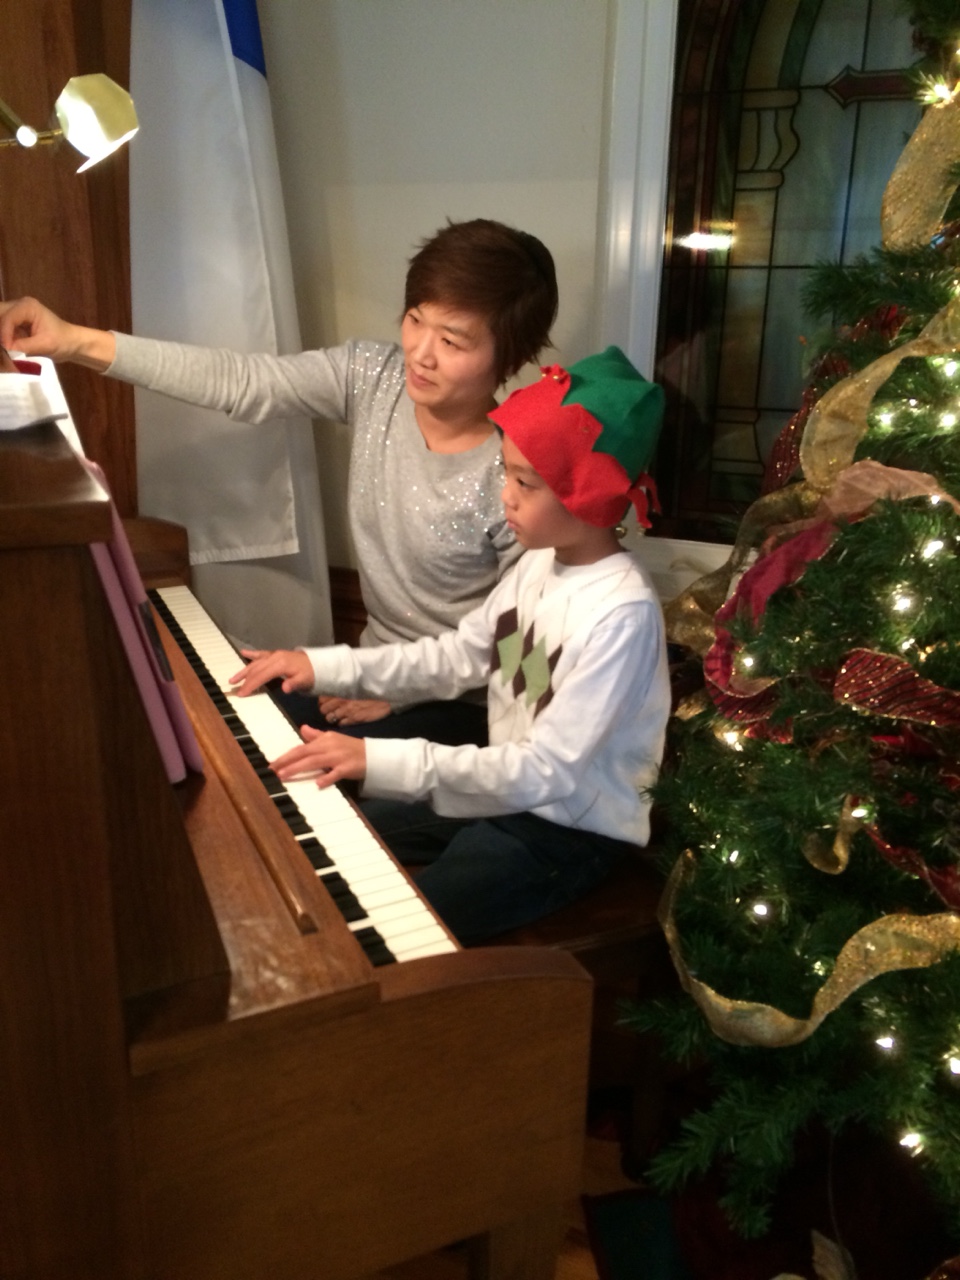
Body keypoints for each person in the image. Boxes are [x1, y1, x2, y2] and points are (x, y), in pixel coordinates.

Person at [0, 218, 558, 746]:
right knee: (219, 718)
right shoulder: (375, 377)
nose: (420, 352)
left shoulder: (516, 476)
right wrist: (71, 340)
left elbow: (525, 648)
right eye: (415, 319)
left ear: (509, 360)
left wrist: (399, 692)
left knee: (309, 778)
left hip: (460, 705)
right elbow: (245, 382)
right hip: (362, 673)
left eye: (452, 342)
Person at [228, 346, 672, 945]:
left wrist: (378, 759)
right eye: (506, 473)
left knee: (404, 921)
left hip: (567, 830)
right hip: (507, 789)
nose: (506, 496)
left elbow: (547, 770)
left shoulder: (621, 612)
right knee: (355, 830)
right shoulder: (538, 563)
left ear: (587, 497)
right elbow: (457, 657)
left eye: (525, 482)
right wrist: (322, 666)